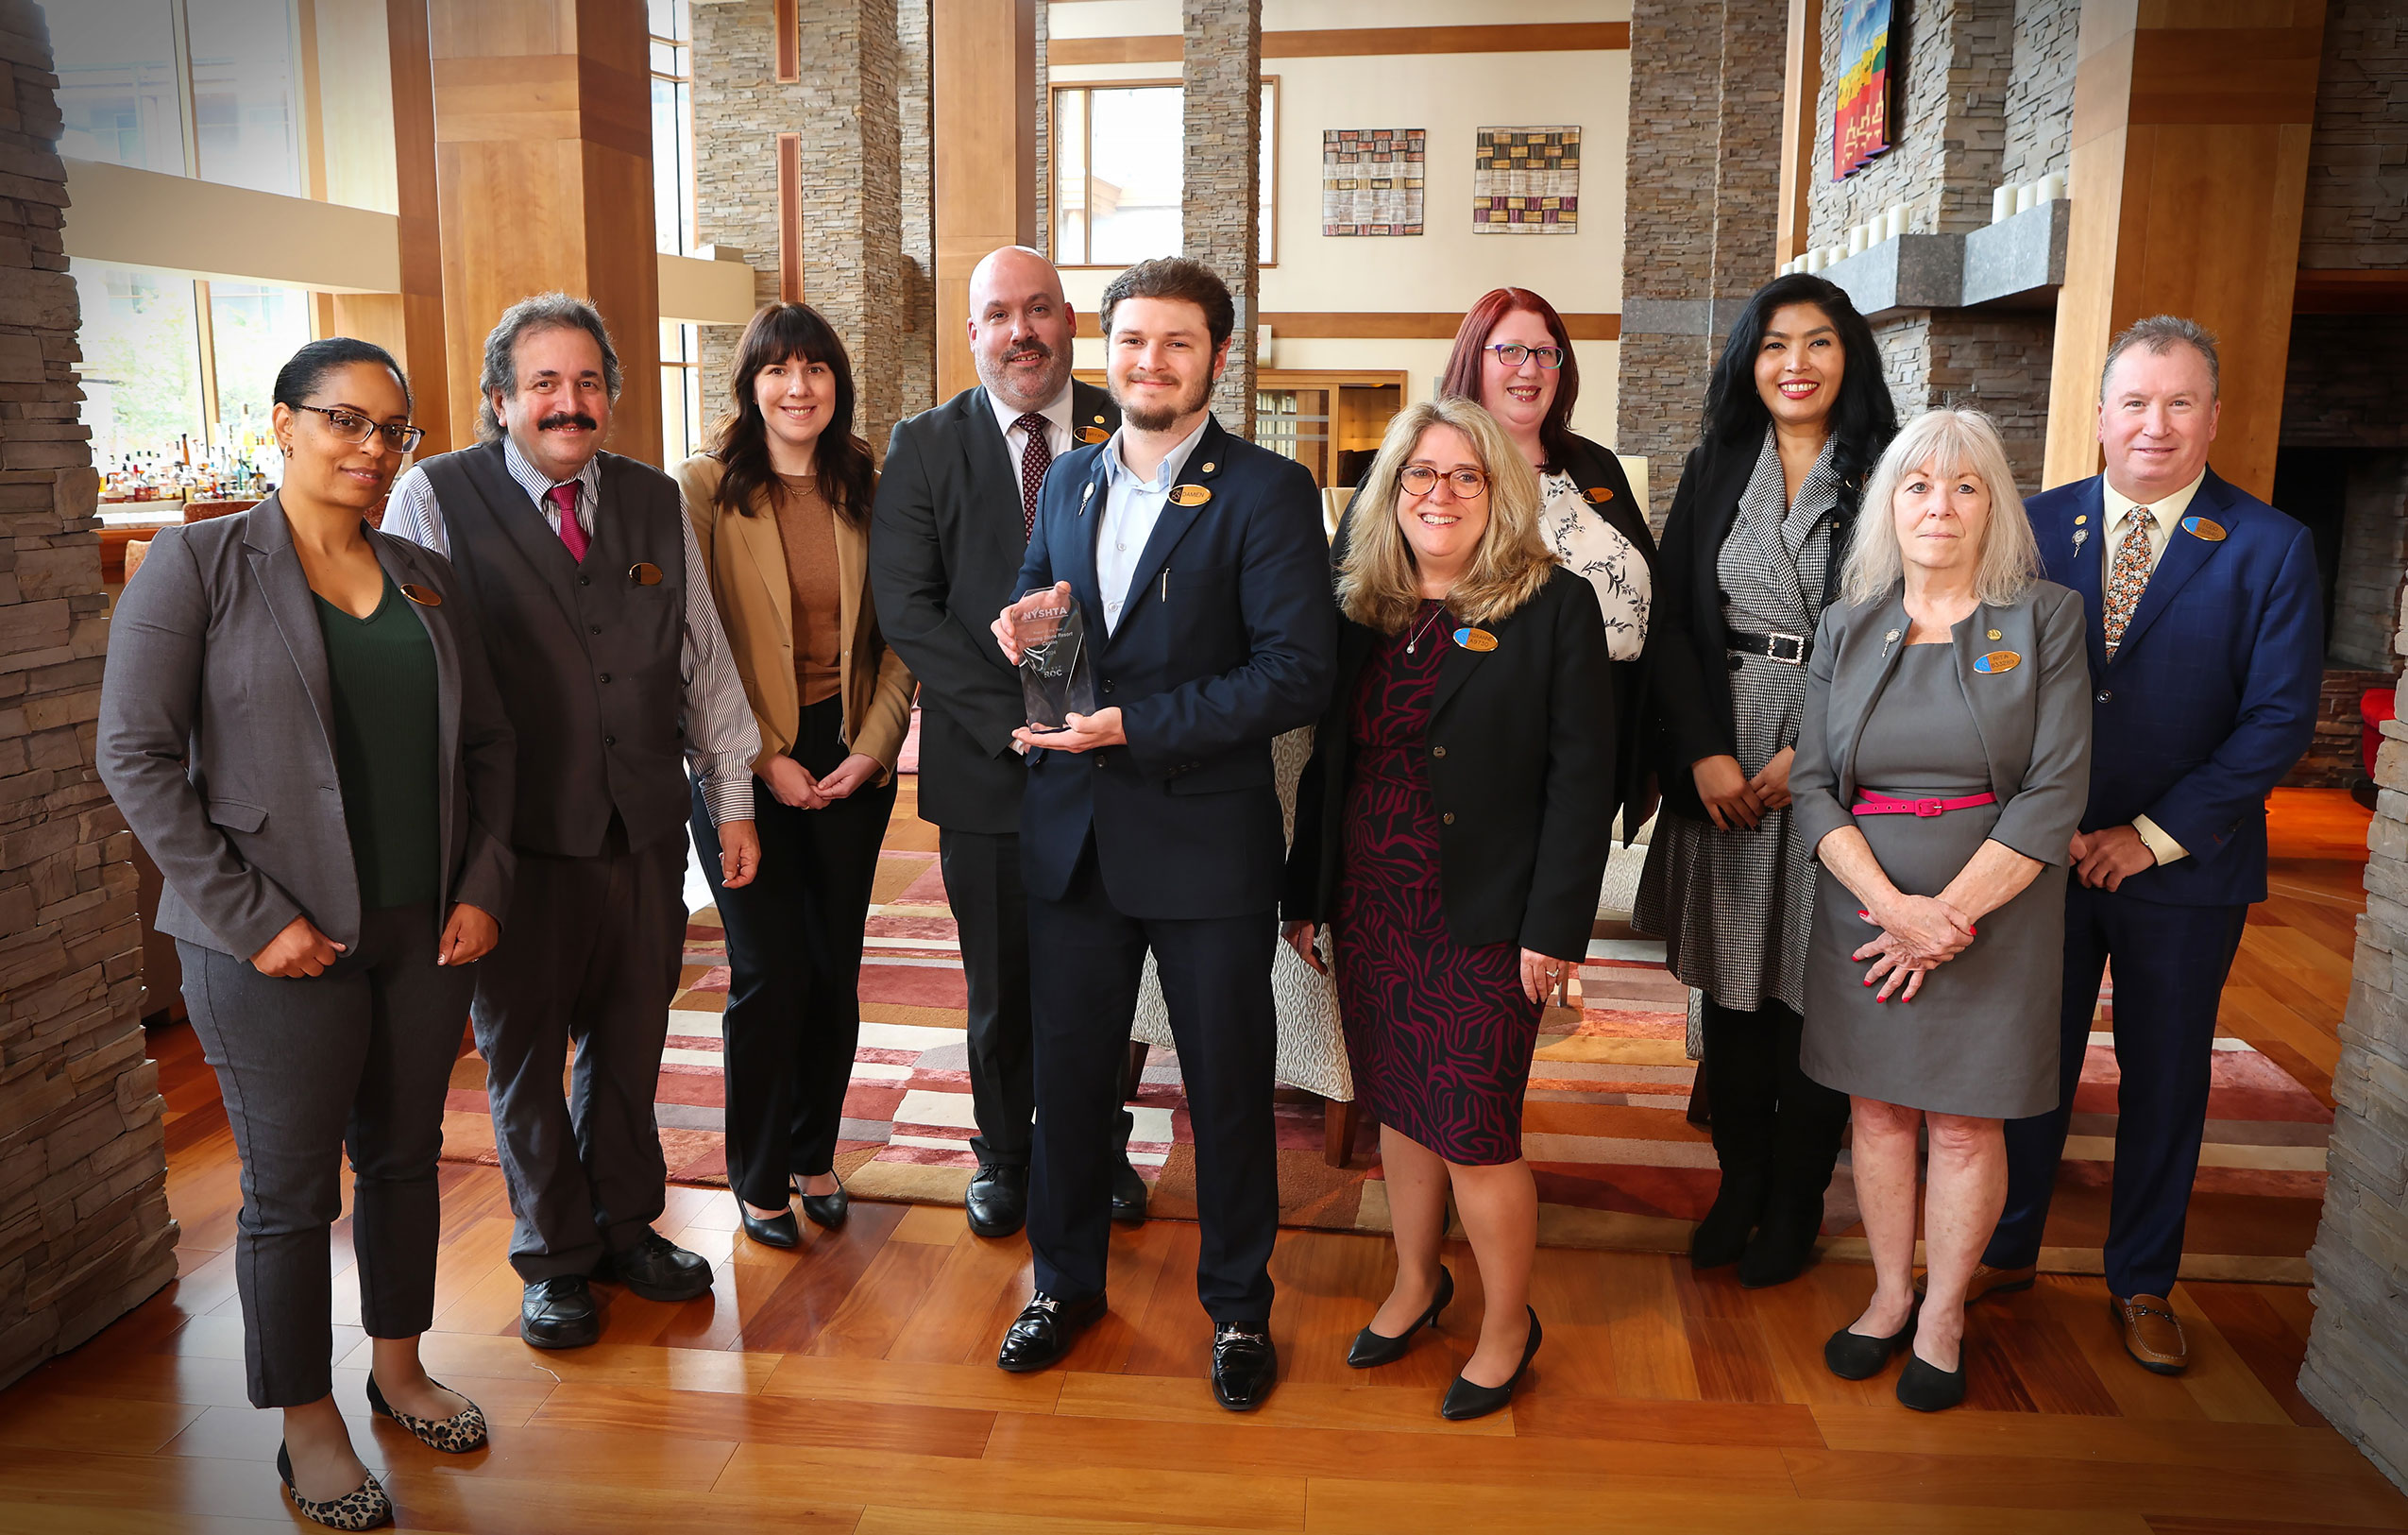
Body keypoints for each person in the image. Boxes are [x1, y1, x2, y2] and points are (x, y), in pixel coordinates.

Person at [97, 339, 514, 1528]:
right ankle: (304, 1420)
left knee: (401, 1156)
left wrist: (481, 884)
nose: (373, 449)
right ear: (283, 423)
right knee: (288, 1192)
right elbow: (132, 752)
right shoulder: (196, 565)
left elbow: (489, 746)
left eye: (395, 431)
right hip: (271, 943)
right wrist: (251, 918)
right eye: (346, 420)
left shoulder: (425, 575)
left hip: (423, 929)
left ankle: (398, 1364)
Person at [985, 256, 1336, 1411]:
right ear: (1109, 350)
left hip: (1203, 845)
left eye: (1177, 343)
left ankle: (1238, 1307)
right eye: (1133, 340)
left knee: (1228, 1091)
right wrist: (1026, 631)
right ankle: (1063, 1283)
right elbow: (1054, 619)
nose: (1152, 362)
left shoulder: (1270, 491)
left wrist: (1136, 725)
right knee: (1072, 1082)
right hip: (1074, 838)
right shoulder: (1073, 481)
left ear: (1216, 359)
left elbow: (1295, 673)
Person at [385, 294, 762, 1351]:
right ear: (499, 398)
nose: (569, 401)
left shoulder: (650, 499)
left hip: (642, 830)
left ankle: (626, 1226)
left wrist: (728, 801)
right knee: (523, 1058)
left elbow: (704, 661)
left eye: (589, 381)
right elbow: (417, 683)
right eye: (544, 382)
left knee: (632, 1041)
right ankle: (552, 1256)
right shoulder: (433, 497)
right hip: (511, 846)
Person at [1974, 316, 2322, 1374]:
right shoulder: (2032, 528)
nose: (2155, 423)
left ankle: (2142, 1279)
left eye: (2179, 403)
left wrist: (2149, 836)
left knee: (2166, 1076)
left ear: (2213, 417)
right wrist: (2039, 824)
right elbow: (1992, 680)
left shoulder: (2270, 545)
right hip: (2042, 855)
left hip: (2187, 865)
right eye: (2134, 401)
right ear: (2100, 416)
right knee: (2029, 1061)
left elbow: (2278, 718)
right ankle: (2006, 1244)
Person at [1280, 397, 1612, 1420]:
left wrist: (1554, 930)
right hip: (1372, 900)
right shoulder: (1362, 605)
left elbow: (1582, 779)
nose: (1440, 492)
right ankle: (1419, 1283)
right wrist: (1307, 893)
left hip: (1487, 914)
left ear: (1499, 492)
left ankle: (1510, 1323)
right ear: (1391, 491)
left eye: (1465, 475)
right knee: (1401, 1113)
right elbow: (1329, 764)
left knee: (1473, 1129)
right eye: (1419, 474)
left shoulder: (1554, 605)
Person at [1789, 409, 2092, 1412]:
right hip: (1864, 908)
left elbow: (2055, 790)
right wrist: (1893, 907)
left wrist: (1948, 916)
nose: (1940, 504)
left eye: (1965, 486)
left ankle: (1944, 1313)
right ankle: (1886, 1294)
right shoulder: (1848, 622)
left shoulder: (2043, 617)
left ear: (1993, 505)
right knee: (1874, 1111)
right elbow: (1816, 787)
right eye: (1918, 484)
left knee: (1964, 1125)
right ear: (1890, 503)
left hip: (1996, 912)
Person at [870, 246, 1147, 1237]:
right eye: (999, 314)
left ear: (1069, 323)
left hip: (1114, 757)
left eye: (1039, 310)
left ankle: (1099, 1145)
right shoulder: (923, 444)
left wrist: (1093, 722)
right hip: (988, 764)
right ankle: (1005, 1152)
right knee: (1000, 980)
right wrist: (1018, 723)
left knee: (1104, 973)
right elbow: (909, 609)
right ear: (974, 333)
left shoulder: (1132, 427)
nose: (1021, 331)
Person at [1636, 272, 1898, 1287]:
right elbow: (1672, 621)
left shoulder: (1885, 471)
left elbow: (1903, 628)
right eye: (1776, 342)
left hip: (1840, 749)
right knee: (1735, 1000)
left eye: (1820, 342)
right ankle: (1736, 1185)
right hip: (1724, 747)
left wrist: (1812, 756)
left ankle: (1794, 1205)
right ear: (1751, 359)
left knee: (1811, 999)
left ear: (1849, 360)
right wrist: (1702, 752)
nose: (1796, 363)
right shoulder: (1715, 464)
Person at [673, 303, 915, 1246]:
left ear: (838, 383)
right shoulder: (702, 487)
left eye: (816, 368)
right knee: (768, 969)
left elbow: (902, 636)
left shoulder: (872, 485)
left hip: (853, 750)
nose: (799, 386)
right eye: (778, 369)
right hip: (741, 756)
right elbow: (695, 645)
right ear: (751, 383)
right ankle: (757, 1169)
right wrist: (760, 757)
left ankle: (816, 1152)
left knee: (833, 967)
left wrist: (874, 746)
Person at [1440, 286, 1655, 839]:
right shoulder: (1431, 464)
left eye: (1545, 352)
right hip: (1475, 744)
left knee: (1562, 912)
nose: (1529, 368)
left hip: (1594, 739)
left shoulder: (1594, 466)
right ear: (1474, 358)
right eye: (1510, 350)